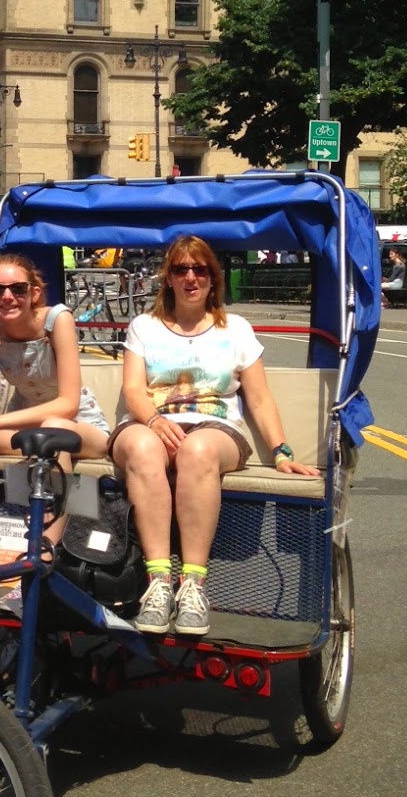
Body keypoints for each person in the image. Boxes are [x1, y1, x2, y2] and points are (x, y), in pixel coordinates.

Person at [110, 235, 319, 639]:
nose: (191, 277)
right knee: (141, 445)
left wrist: (281, 451)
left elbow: (258, 399)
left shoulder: (236, 330)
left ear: (212, 278)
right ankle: (158, 583)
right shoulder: (144, 326)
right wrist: (153, 421)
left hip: (215, 429)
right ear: (168, 278)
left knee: (197, 448)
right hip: (152, 422)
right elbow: (134, 389)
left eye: (200, 269)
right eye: (180, 269)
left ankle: (193, 585)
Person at [0, 254, 110, 607]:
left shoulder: (57, 320)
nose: (8, 297)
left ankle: (44, 562)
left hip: (81, 426)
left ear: (34, 293)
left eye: (18, 289)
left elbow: (67, 403)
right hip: (26, 427)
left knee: (53, 429)